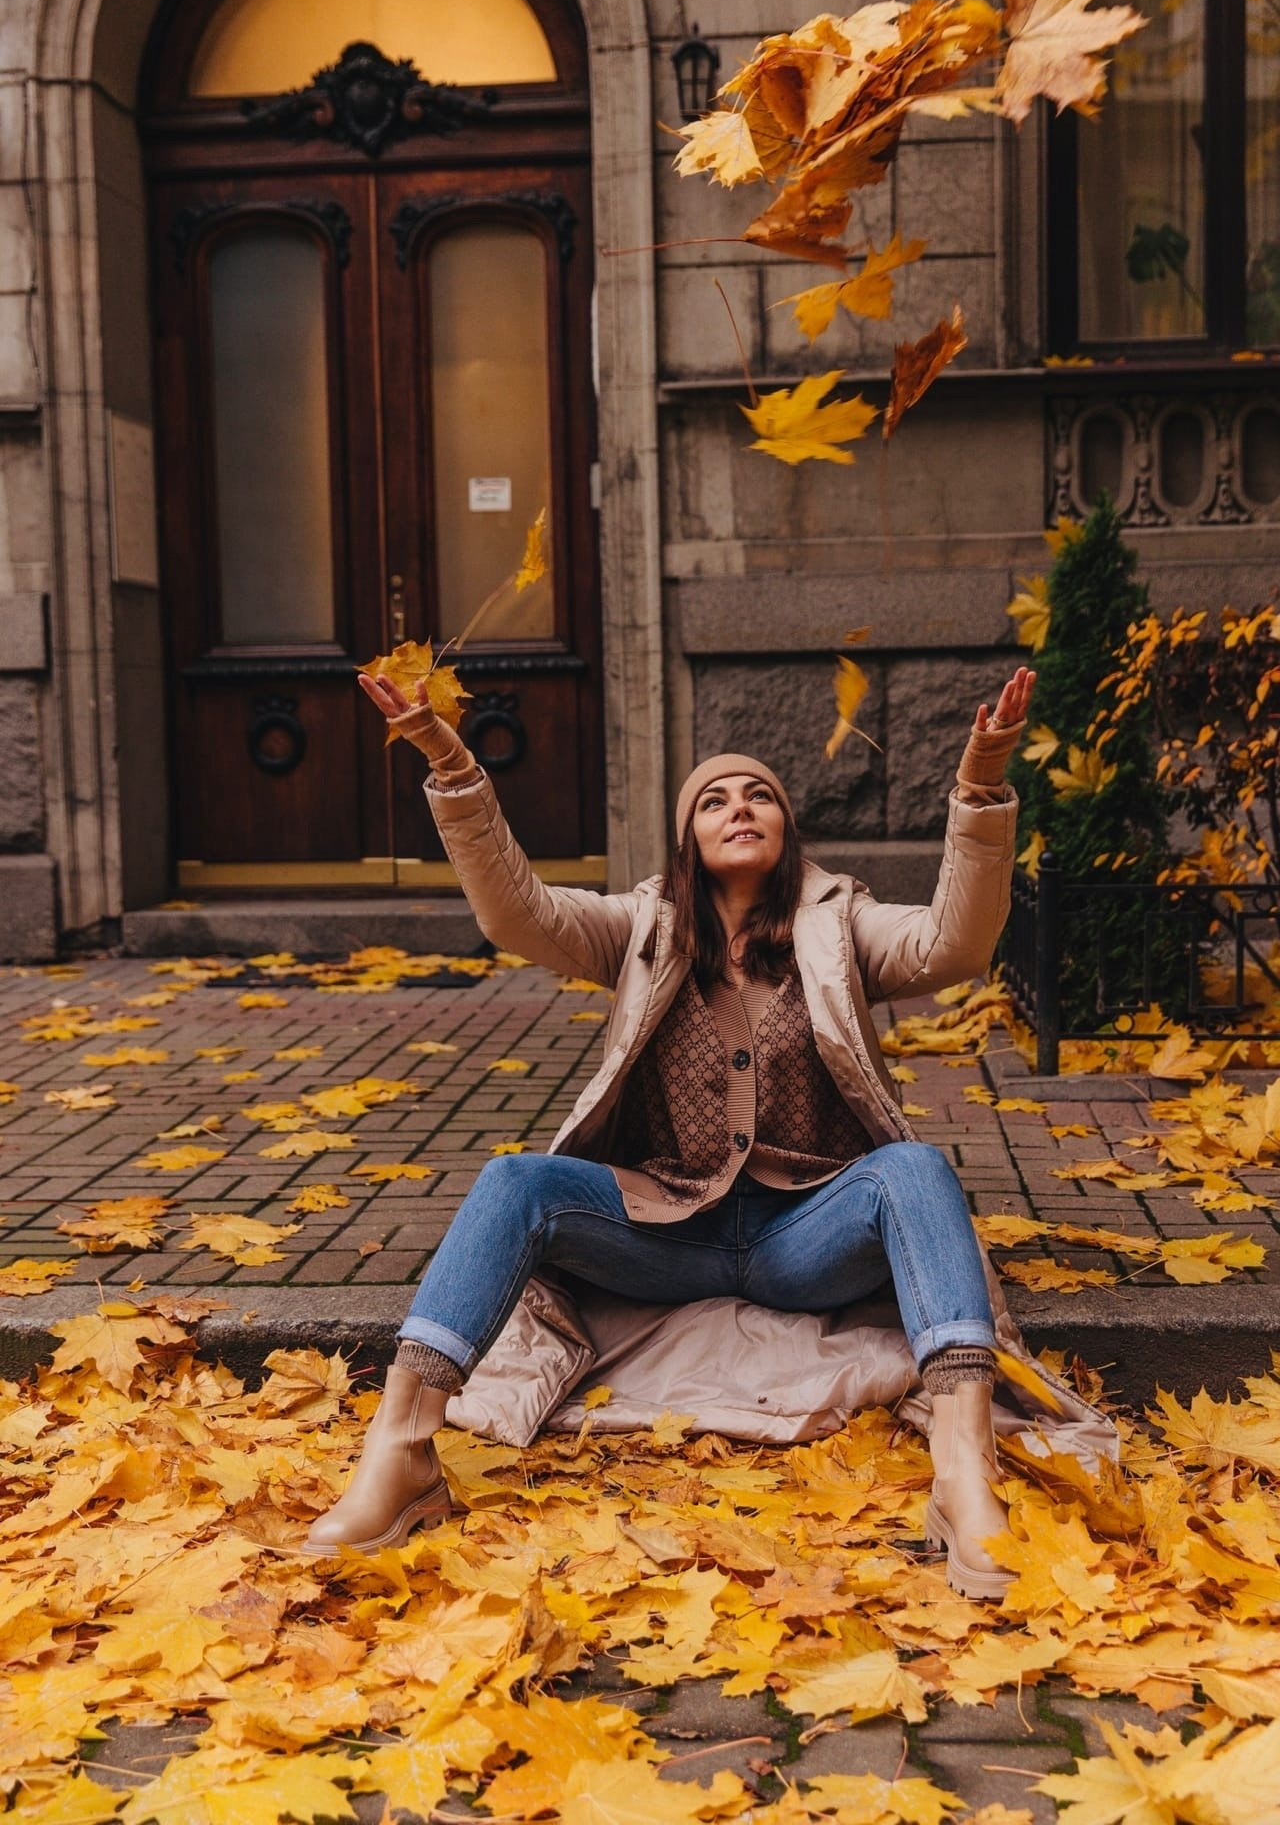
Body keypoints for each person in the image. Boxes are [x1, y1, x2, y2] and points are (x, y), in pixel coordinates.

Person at [304, 664, 1036, 1600]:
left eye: (760, 796)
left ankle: (963, 1473)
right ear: (688, 835)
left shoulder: (839, 921)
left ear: (786, 828)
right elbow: (515, 909)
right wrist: (449, 760)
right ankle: (400, 1451)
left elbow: (955, 944)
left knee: (915, 1169)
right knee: (513, 1180)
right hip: (664, 1231)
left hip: (804, 1234)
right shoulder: (637, 926)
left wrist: (979, 783)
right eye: (715, 800)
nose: (740, 809)